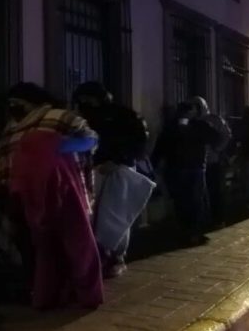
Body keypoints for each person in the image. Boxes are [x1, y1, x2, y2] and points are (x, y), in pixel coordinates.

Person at [9, 129, 103, 309]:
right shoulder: (53, 148)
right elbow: (88, 142)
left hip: (36, 213)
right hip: (67, 208)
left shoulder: (22, 155)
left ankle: (46, 299)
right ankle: (89, 296)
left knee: (46, 256)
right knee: (82, 251)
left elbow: (16, 189)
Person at [72, 81, 150, 278]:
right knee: (92, 215)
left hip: (118, 170)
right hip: (92, 170)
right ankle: (98, 256)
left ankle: (117, 257)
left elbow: (139, 143)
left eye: (89, 99)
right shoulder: (81, 117)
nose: (85, 103)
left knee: (116, 215)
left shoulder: (123, 116)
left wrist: (118, 161)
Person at [152, 102, 219, 244]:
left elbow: (160, 148)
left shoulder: (170, 127)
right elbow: (216, 138)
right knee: (195, 200)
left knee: (181, 200)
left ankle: (185, 230)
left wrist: (153, 165)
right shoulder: (199, 126)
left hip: (176, 168)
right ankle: (194, 232)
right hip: (194, 168)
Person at [190, 96, 232, 227]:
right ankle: (205, 219)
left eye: (197, 107)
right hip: (197, 162)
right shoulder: (190, 122)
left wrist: (217, 148)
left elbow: (226, 135)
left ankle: (219, 218)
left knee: (216, 190)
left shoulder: (214, 119)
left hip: (214, 162)